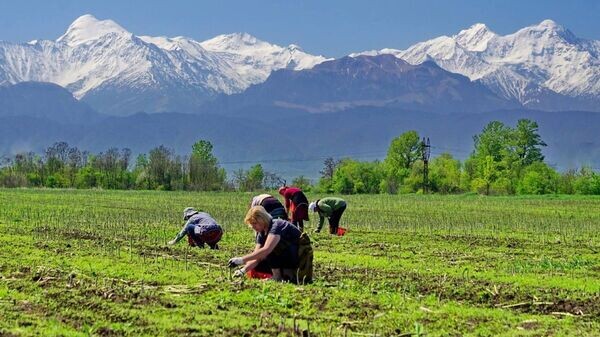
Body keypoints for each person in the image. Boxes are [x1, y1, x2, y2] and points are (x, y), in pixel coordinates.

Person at [228, 206, 301, 282]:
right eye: (251, 224)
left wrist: (241, 260)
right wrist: (243, 270)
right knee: (258, 263)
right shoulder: (262, 233)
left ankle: (282, 276)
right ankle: (283, 276)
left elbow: (266, 250)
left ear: (262, 219)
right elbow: (257, 256)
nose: (253, 226)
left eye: (254, 223)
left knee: (268, 250)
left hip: (297, 255)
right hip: (285, 257)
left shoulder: (276, 226)